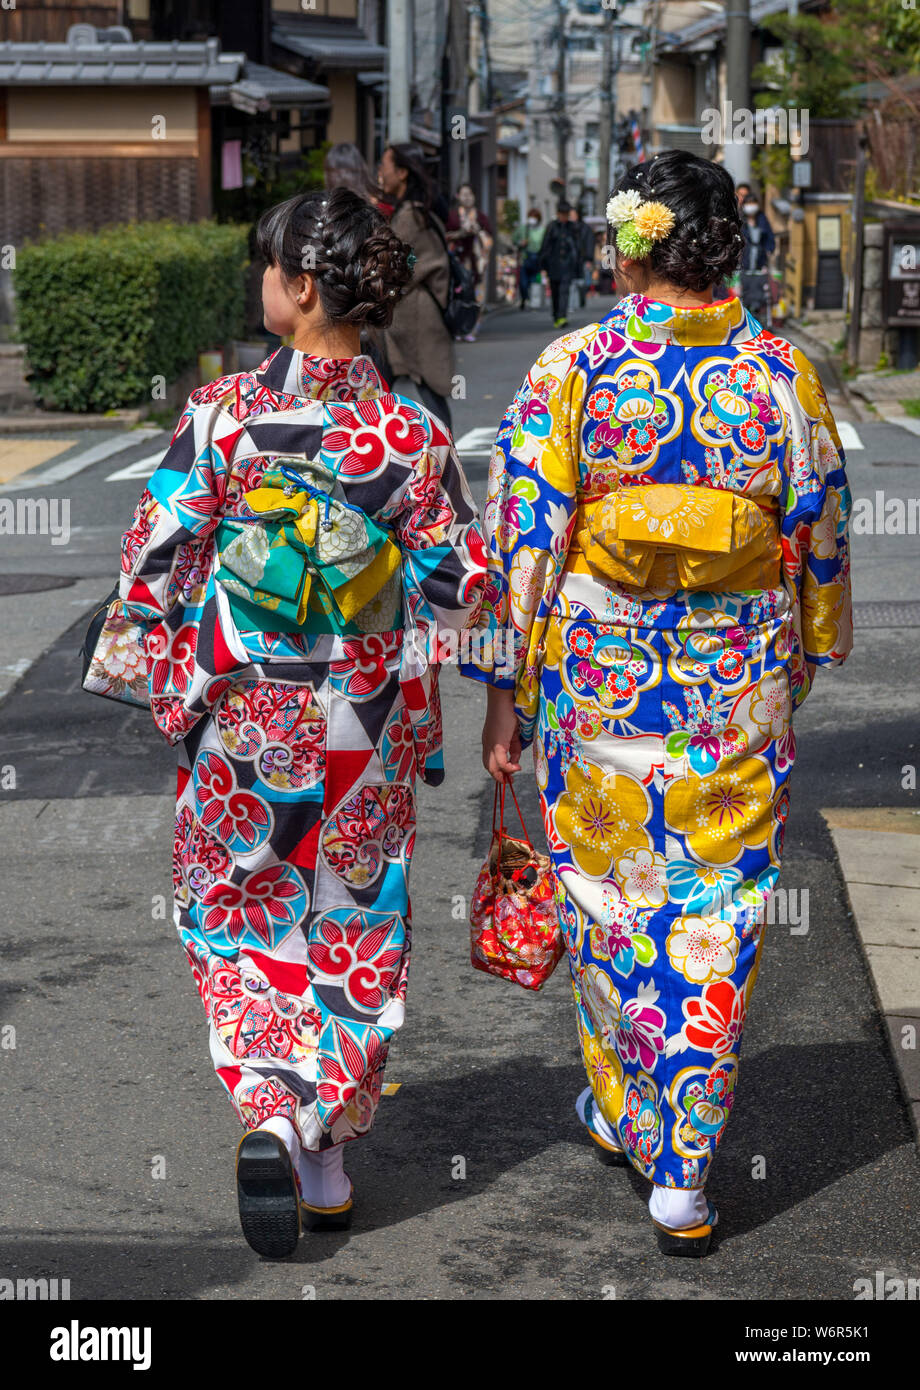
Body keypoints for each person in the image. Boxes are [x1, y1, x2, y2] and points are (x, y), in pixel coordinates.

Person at [462, 149, 852, 1256]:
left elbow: (523, 550)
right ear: (725, 243)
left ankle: (630, 1112)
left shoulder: (572, 368)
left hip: (597, 682)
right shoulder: (779, 371)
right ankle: (681, 1166)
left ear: (633, 242)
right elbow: (816, 532)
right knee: (716, 910)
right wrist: (803, 654)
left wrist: (505, 692)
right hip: (733, 681)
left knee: (609, 898)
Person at [115, 186, 486, 1259]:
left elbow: (153, 560)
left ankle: (272, 1104)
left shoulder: (221, 413)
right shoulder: (408, 427)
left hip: (248, 713)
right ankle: (323, 1146)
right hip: (363, 715)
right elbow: (463, 578)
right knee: (354, 915)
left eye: (269, 265)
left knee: (235, 905)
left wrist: (166, 679)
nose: (260, 282)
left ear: (303, 286)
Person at [376, 143, 456, 429]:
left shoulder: (410, 215)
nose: (380, 172)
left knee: (426, 388)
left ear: (402, 172)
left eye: (384, 165)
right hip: (410, 317)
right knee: (387, 385)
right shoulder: (414, 211)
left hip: (417, 317)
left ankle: (445, 455)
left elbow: (398, 267)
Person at [446, 182, 494, 341]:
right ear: (458, 197)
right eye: (464, 194)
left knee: (477, 296)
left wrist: (478, 231)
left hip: (475, 264)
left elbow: (489, 239)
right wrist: (460, 233)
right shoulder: (452, 216)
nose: (467, 198)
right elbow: (444, 235)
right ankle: (457, 327)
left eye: (470, 194)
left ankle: (472, 329)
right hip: (457, 263)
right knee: (457, 296)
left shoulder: (481, 217)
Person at [539, 199, 581, 329]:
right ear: (558, 214)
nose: (564, 216)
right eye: (562, 214)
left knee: (564, 291)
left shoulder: (572, 227)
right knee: (555, 292)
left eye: (566, 214)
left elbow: (578, 246)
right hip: (553, 265)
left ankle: (562, 316)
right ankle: (556, 315)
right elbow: (545, 246)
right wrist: (543, 266)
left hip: (567, 265)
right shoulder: (552, 227)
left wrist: (577, 262)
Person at [739, 187, 776, 322]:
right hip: (746, 260)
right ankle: (747, 313)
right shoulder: (740, 221)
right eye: (749, 203)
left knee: (760, 288)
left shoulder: (762, 219)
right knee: (745, 289)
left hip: (760, 260)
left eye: (753, 203)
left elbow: (769, 238)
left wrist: (769, 250)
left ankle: (757, 311)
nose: (751, 206)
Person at [569, 205, 597, 308]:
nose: (571, 217)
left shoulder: (585, 228)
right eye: (570, 215)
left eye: (573, 215)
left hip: (583, 258)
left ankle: (581, 298)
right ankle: (574, 301)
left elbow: (590, 243)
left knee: (583, 281)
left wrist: (589, 258)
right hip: (571, 259)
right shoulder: (568, 228)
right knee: (573, 281)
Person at [516, 208, 544, 310]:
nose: (532, 219)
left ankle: (534, 303)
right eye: (531, 217)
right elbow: (514, 239)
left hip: (537, 259)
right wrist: (520, 243)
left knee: (534, 282)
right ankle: (524, 298)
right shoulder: (523, 228)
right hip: (525, 258)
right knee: (523, 283)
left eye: (535, 217)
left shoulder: (542, 230)